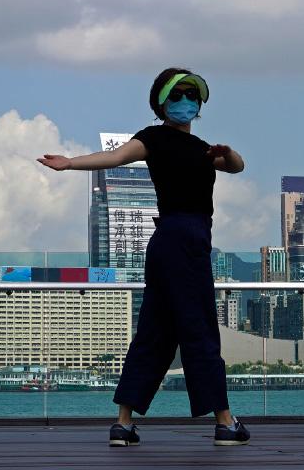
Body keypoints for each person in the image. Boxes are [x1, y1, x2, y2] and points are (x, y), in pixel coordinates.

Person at [38, 68, 251, 447]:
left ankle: (123, 423)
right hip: (183, 239)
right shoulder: (153, 137)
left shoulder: (203, 148)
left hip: (172, 243)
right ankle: (224, 422)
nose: (186, 101)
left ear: (199, 104)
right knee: (199, 328)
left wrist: (227, 152)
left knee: (155, 330)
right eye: (177, 95)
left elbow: (237, 167)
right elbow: (116, 157)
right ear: (161, 103)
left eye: (192, 95)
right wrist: (70, 163)